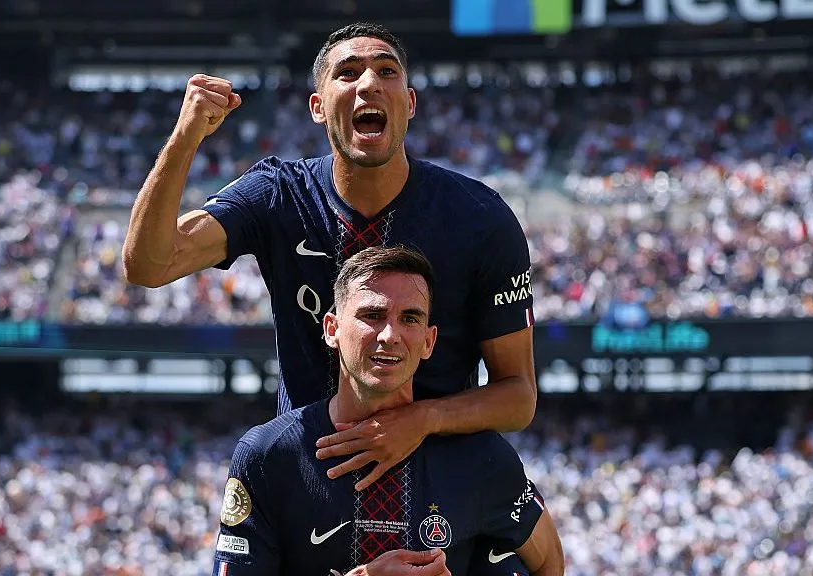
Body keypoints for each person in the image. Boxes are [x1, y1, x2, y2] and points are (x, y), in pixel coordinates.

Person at [122, 21, 537, 493]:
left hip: (437, 496)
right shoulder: (278, 194)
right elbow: (149, 264)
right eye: (348, 72)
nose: (368, 83)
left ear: (410, 103)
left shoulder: (480, 217)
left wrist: (423, 419)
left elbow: (518, 396)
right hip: (306, 487)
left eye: (386, 71)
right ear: (317, 107)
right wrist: (185, 136)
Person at [212, 246, 563, 576]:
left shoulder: (482, 458)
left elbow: (549, 561)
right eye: (372, 315)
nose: (390, 335)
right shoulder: (268, 456)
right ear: (332, 329)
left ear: (429, 341)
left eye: (410, 318)